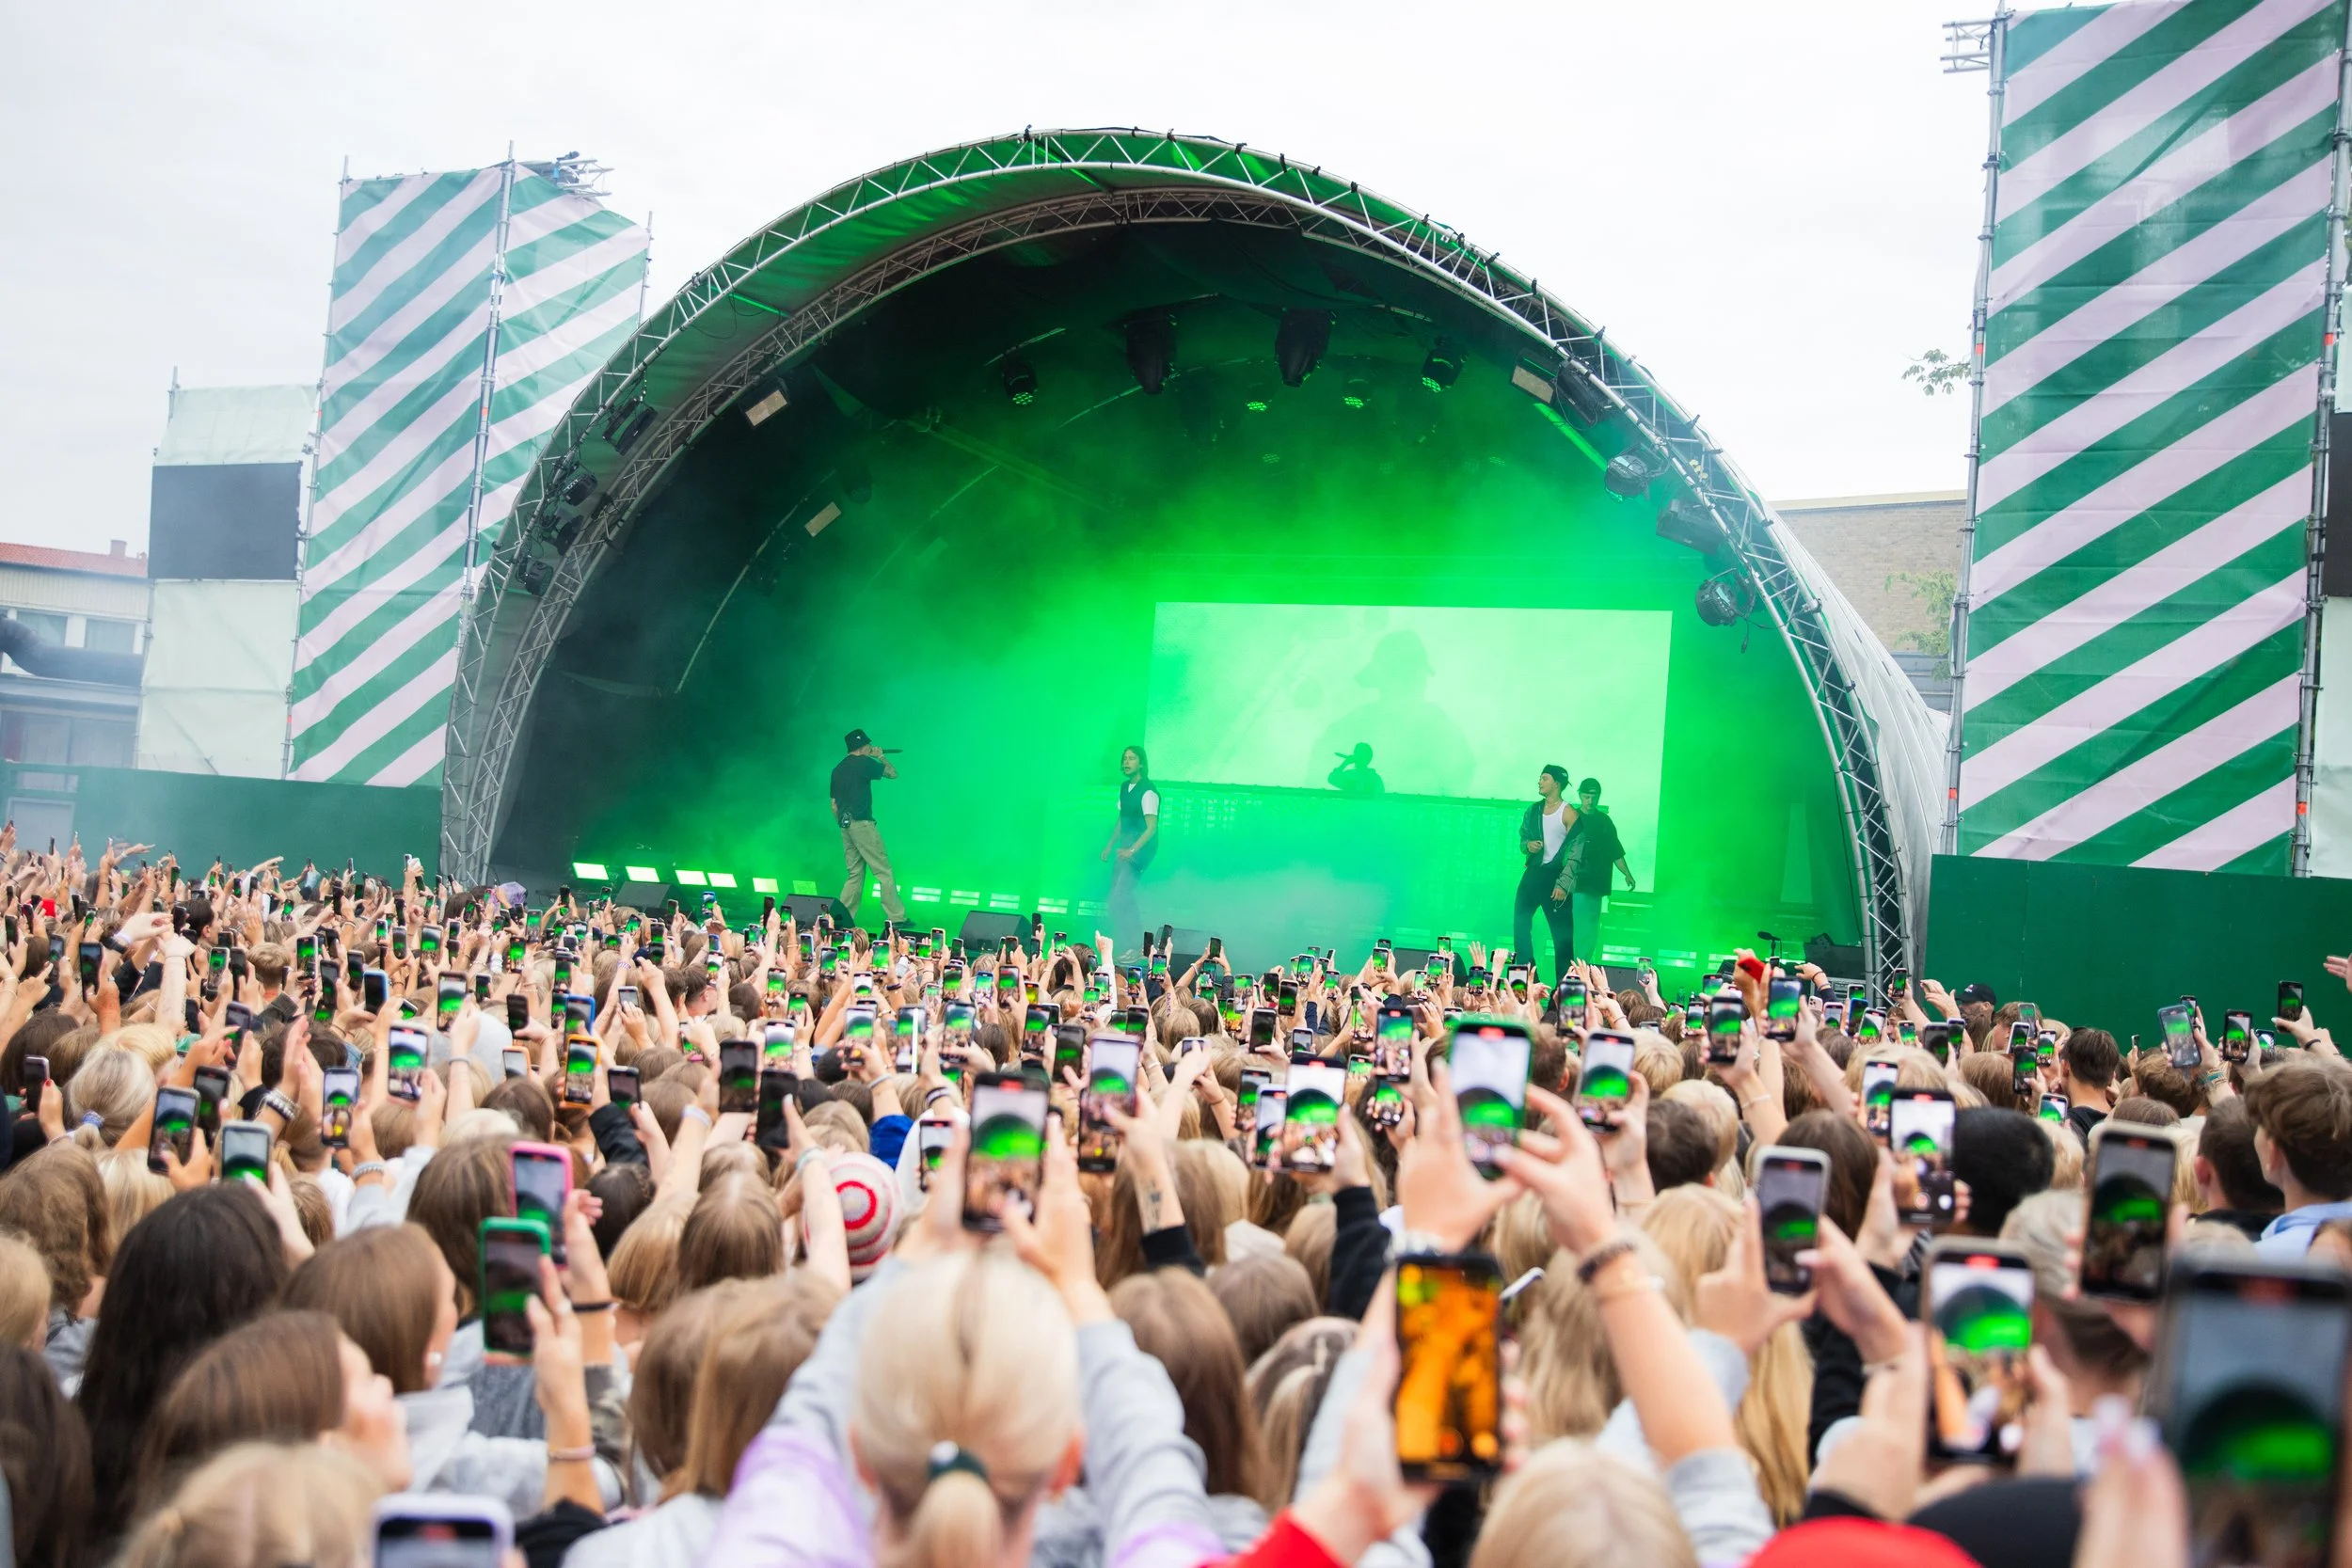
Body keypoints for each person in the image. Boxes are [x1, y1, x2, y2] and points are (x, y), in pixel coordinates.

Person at [829, 727, 905, 928]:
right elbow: (892, 773)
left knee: (854, 874)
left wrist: (843, 824)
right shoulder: (864, 763)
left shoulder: (837, 769)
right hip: (862, 824)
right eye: (868, 744)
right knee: (884, 871)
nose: (871, 747)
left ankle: (841, 919)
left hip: (845, 826)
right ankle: (897, 917)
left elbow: (834, 805)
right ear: (862, 746)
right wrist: (880, 757)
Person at [1512, 765, 1579, 981]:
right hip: (1533, 874)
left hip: (1556, 878)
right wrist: (1528, 845)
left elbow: (1576, 853)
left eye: (1544, 778)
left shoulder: (1569, 812)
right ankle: (1528, 980)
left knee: (1562, 939)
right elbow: (1523, 840)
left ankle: (1563, 989)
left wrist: (1564, 883)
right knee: (1520, 925)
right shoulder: (1533, 811)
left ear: (1557, 784)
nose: (1539, 782)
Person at [1564, 777, 1634, 964]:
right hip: (1576, 885)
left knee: (1592, 929)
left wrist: (1627, 874)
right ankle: (1576, 966)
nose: (1590, 800)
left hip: (1596, 887)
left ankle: (1583, 965)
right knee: (1579, 928)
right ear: (1580, 796)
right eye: (1587, 796)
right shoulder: (1573, 819)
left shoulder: (1605, 822)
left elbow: (1615, 851)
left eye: (1594, 796)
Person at [1100, 745, 1160, 958]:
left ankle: (1139, 948)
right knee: (1115, 898)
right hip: (1125, 848)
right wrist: (1110, 845)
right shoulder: (1125, 787)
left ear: (1141, 763)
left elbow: (1152, 828)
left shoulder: (1149, 791)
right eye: (1124, 758)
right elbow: (1122, 819)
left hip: (1142, 850)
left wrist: (1132, 850)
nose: (1126, 762)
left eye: (1131, 758)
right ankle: (1129, 945)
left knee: (1122, 894)